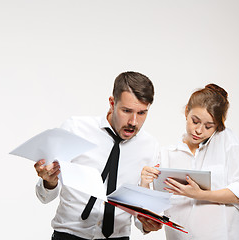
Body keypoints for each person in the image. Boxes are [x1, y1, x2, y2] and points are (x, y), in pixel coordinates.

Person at [34, 71, 162, 240]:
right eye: (126, 110)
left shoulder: (150, 146)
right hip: (69, 235)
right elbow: (45, 196)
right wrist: (49, 181)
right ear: (111, 103)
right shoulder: (75, 129)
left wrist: (147, 222)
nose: (133, 122)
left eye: (142, 113)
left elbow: (142, 211)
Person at [140, 84, 239, 240]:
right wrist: (144, 184)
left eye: (208, 126)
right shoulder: (167, 154)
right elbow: (152, 213)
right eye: (195, 121)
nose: (199, 130)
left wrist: (200, 194)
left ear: (218, 126)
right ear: (187, 112)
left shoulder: (227, 141)